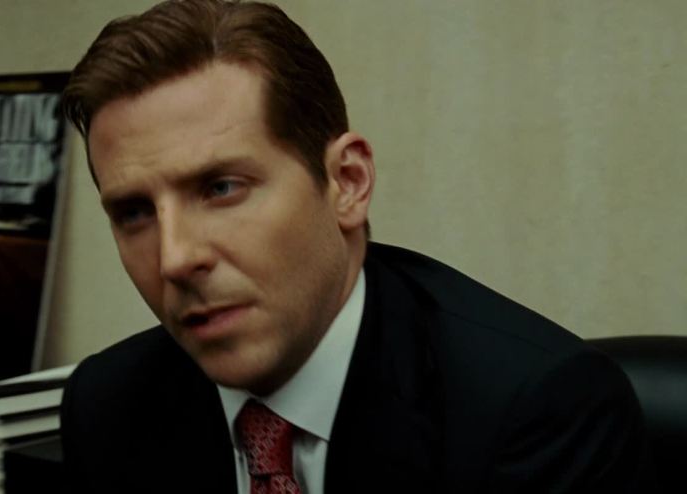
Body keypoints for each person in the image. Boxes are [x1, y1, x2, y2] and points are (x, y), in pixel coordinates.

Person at [59, 1, 650, 492]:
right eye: (134, 213)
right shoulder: (106, 406)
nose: (175, 259)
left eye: (221, 188)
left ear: (348, 182)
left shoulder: (536, 411)